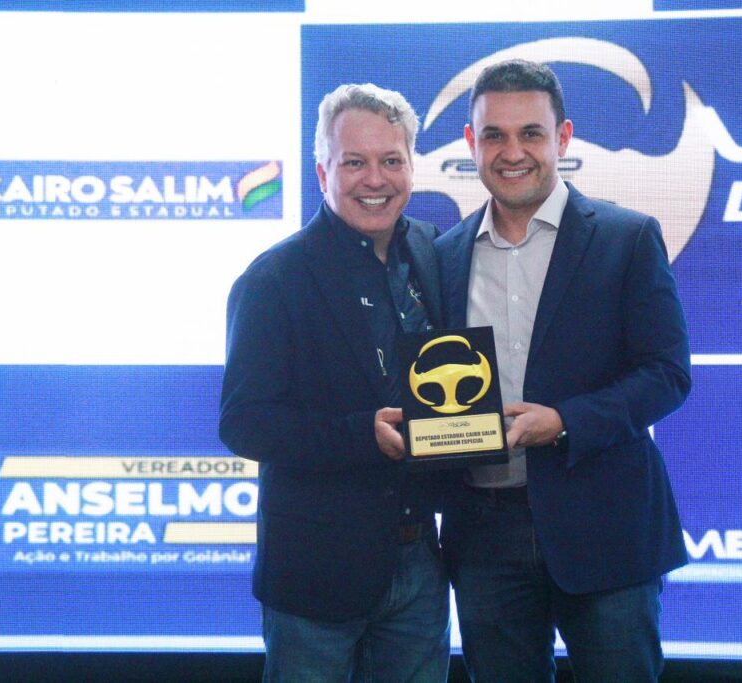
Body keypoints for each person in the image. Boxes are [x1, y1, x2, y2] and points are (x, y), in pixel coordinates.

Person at [435, 60, 692, 682]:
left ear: (563, 137)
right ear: (471, 143)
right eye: (494, 135)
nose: (512, 152)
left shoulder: (627, 238)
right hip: (484, 536)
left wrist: (565, 421)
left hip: (606, 527)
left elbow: (666, 373)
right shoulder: (442, 255)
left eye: (531, 133)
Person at [219, 83, 449, 682]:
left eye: (391, 160)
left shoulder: (431, 251)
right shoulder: (273, 280)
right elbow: (244, 422)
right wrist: (359, 436)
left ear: (411, 167)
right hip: (315, 577)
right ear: (323, 172)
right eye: (354, 162)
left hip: (421, 566)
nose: (375, 179)